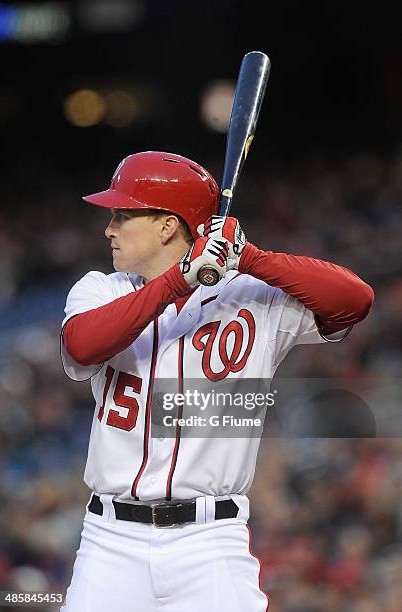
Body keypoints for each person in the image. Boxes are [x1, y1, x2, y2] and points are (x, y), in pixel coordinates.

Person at [60, 151, 374, 611]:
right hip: (111, 540)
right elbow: (82, 346)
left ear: (167, 226)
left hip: (211, 541)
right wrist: (176, 282)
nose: (109, 227)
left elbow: (355, 299)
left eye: (123, 215)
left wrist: (250, 257)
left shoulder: (253, 300)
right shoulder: (101, 289)